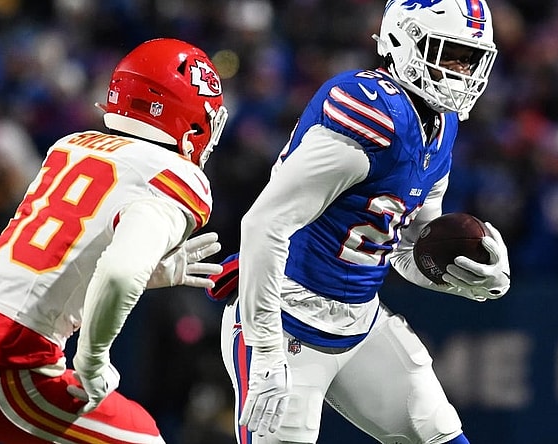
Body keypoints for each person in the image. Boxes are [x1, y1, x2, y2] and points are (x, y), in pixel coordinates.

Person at [0, 37, 229, 444]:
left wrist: (145, 273)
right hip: (5, 356)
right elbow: (120, 274)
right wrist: (92, 361)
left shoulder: (73, 145)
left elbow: (57, 259)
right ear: (191, 121)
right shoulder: (176, 177)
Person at [209, 1, 511, 443]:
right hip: (284, 318)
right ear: (404, 41)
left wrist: (462, 279)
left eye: (470, 59)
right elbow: (263, 224)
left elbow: (404, 248)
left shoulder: (442, 125)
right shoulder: (371, 111)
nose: (461, 71)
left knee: (442, 434)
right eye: (449, 53)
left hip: (360, 320)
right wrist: (267, 349)